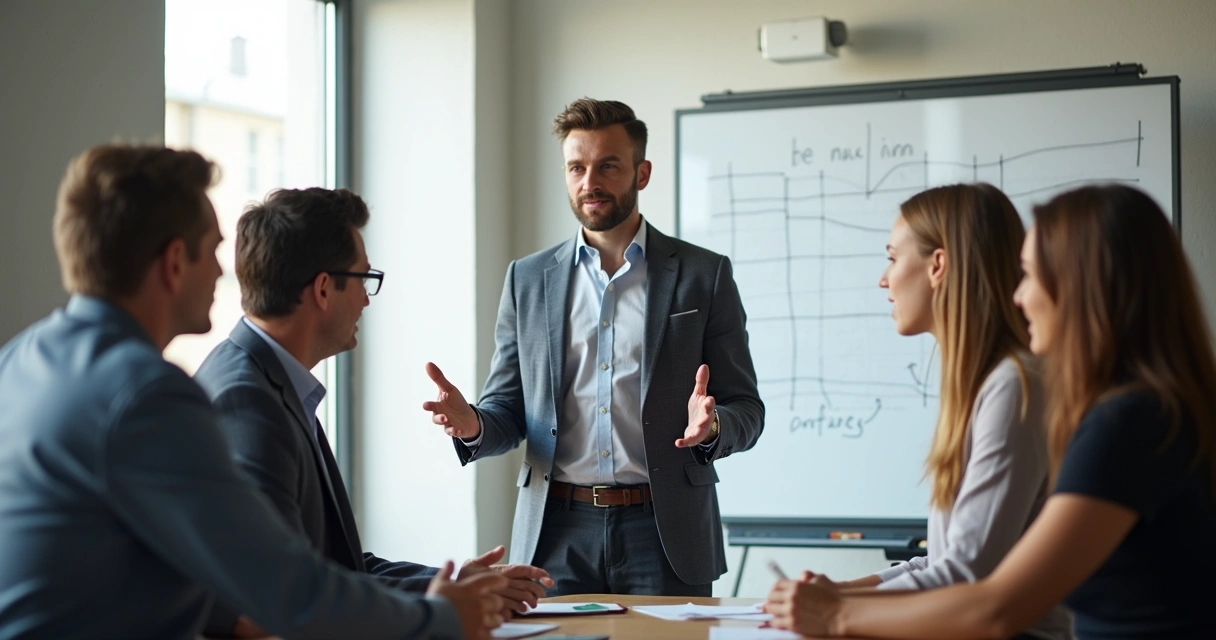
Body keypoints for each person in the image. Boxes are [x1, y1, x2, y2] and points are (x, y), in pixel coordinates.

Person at [0, 144, 506, 640]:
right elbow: (287, 594)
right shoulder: (146, 395)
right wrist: (442, 620)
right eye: (212, 251)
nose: (224, 272)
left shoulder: (19, 359)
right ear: (175, 262)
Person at [766, 184, 1216, 639]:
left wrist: (836, 615)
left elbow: (993, 605)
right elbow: (958, 568)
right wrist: (835, 601)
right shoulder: (1143, 412)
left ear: (1080, 287)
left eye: (1030, 275)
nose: (1018, 295)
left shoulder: (1124, 423)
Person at [422, 98, 765, 596]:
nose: (590, 182)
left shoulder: (703, 275)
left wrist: (712, 427)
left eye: (608, 166)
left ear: (642, 173)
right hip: (555, 530)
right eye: (576, 168)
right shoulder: (527, 279)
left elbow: (747, 408)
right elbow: (510, 410)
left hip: (664, 529)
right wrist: (473, 424)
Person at [194, 187, 553, 636]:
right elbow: (284, 599)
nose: (367, 299)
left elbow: (334, 566)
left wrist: (458, 585)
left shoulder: (269, 382)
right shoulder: (247, 402)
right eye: (364, 278)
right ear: (323, 289)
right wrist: (440, 614)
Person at [806, 183, 1070, 639]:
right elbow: (941, 562)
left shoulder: (1013, 387)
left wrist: (836, 610)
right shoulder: (981, 384)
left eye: (893, 258)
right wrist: (839, 591)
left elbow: (966, 573)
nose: (884, 279)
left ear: (938, 265)